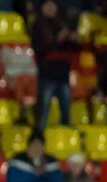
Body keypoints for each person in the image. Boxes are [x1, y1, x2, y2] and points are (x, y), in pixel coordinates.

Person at [31, 0, 77, 131]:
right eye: (47, 5)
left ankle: (66, 137)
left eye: (53, 5)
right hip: (47, 73)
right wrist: (58, 39)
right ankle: (40, 136)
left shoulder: (62, 23)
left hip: (63, 73)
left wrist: (73, 39)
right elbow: (39, 48)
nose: (50, 8)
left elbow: (72, 49)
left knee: (66, 109)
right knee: (44, 110)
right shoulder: (38, 25)